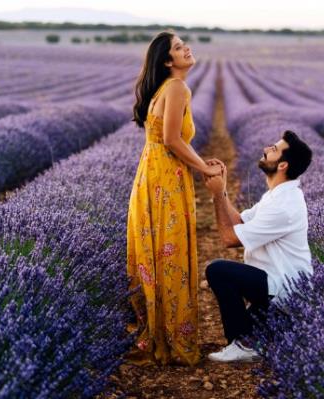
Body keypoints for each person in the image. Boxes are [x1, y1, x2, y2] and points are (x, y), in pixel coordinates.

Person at [126, 30, 223, 366]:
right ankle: (171, 341)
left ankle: (155, 336)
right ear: (168, 61)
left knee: (154, 255)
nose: (187, 49)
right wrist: (203, 170)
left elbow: (169, 140)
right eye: (180, 48)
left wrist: (199, 162)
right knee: (171, 257)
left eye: (185, 45)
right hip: (166, 180)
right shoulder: (178, 87)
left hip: (151, 177)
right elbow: (171, 139)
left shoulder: (164, 89)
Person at [203, 130, 313, 362]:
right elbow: (240, 222)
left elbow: (229, 239)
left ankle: (242, 344)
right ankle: (266, 333)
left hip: (284, 293)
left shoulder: (283, 205)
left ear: (282, 165)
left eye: (273, 149)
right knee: (270, 336)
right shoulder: (276, 196)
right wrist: (221, 189)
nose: (266, 149)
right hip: (273, 284)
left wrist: (217, 196)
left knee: (219, 271)